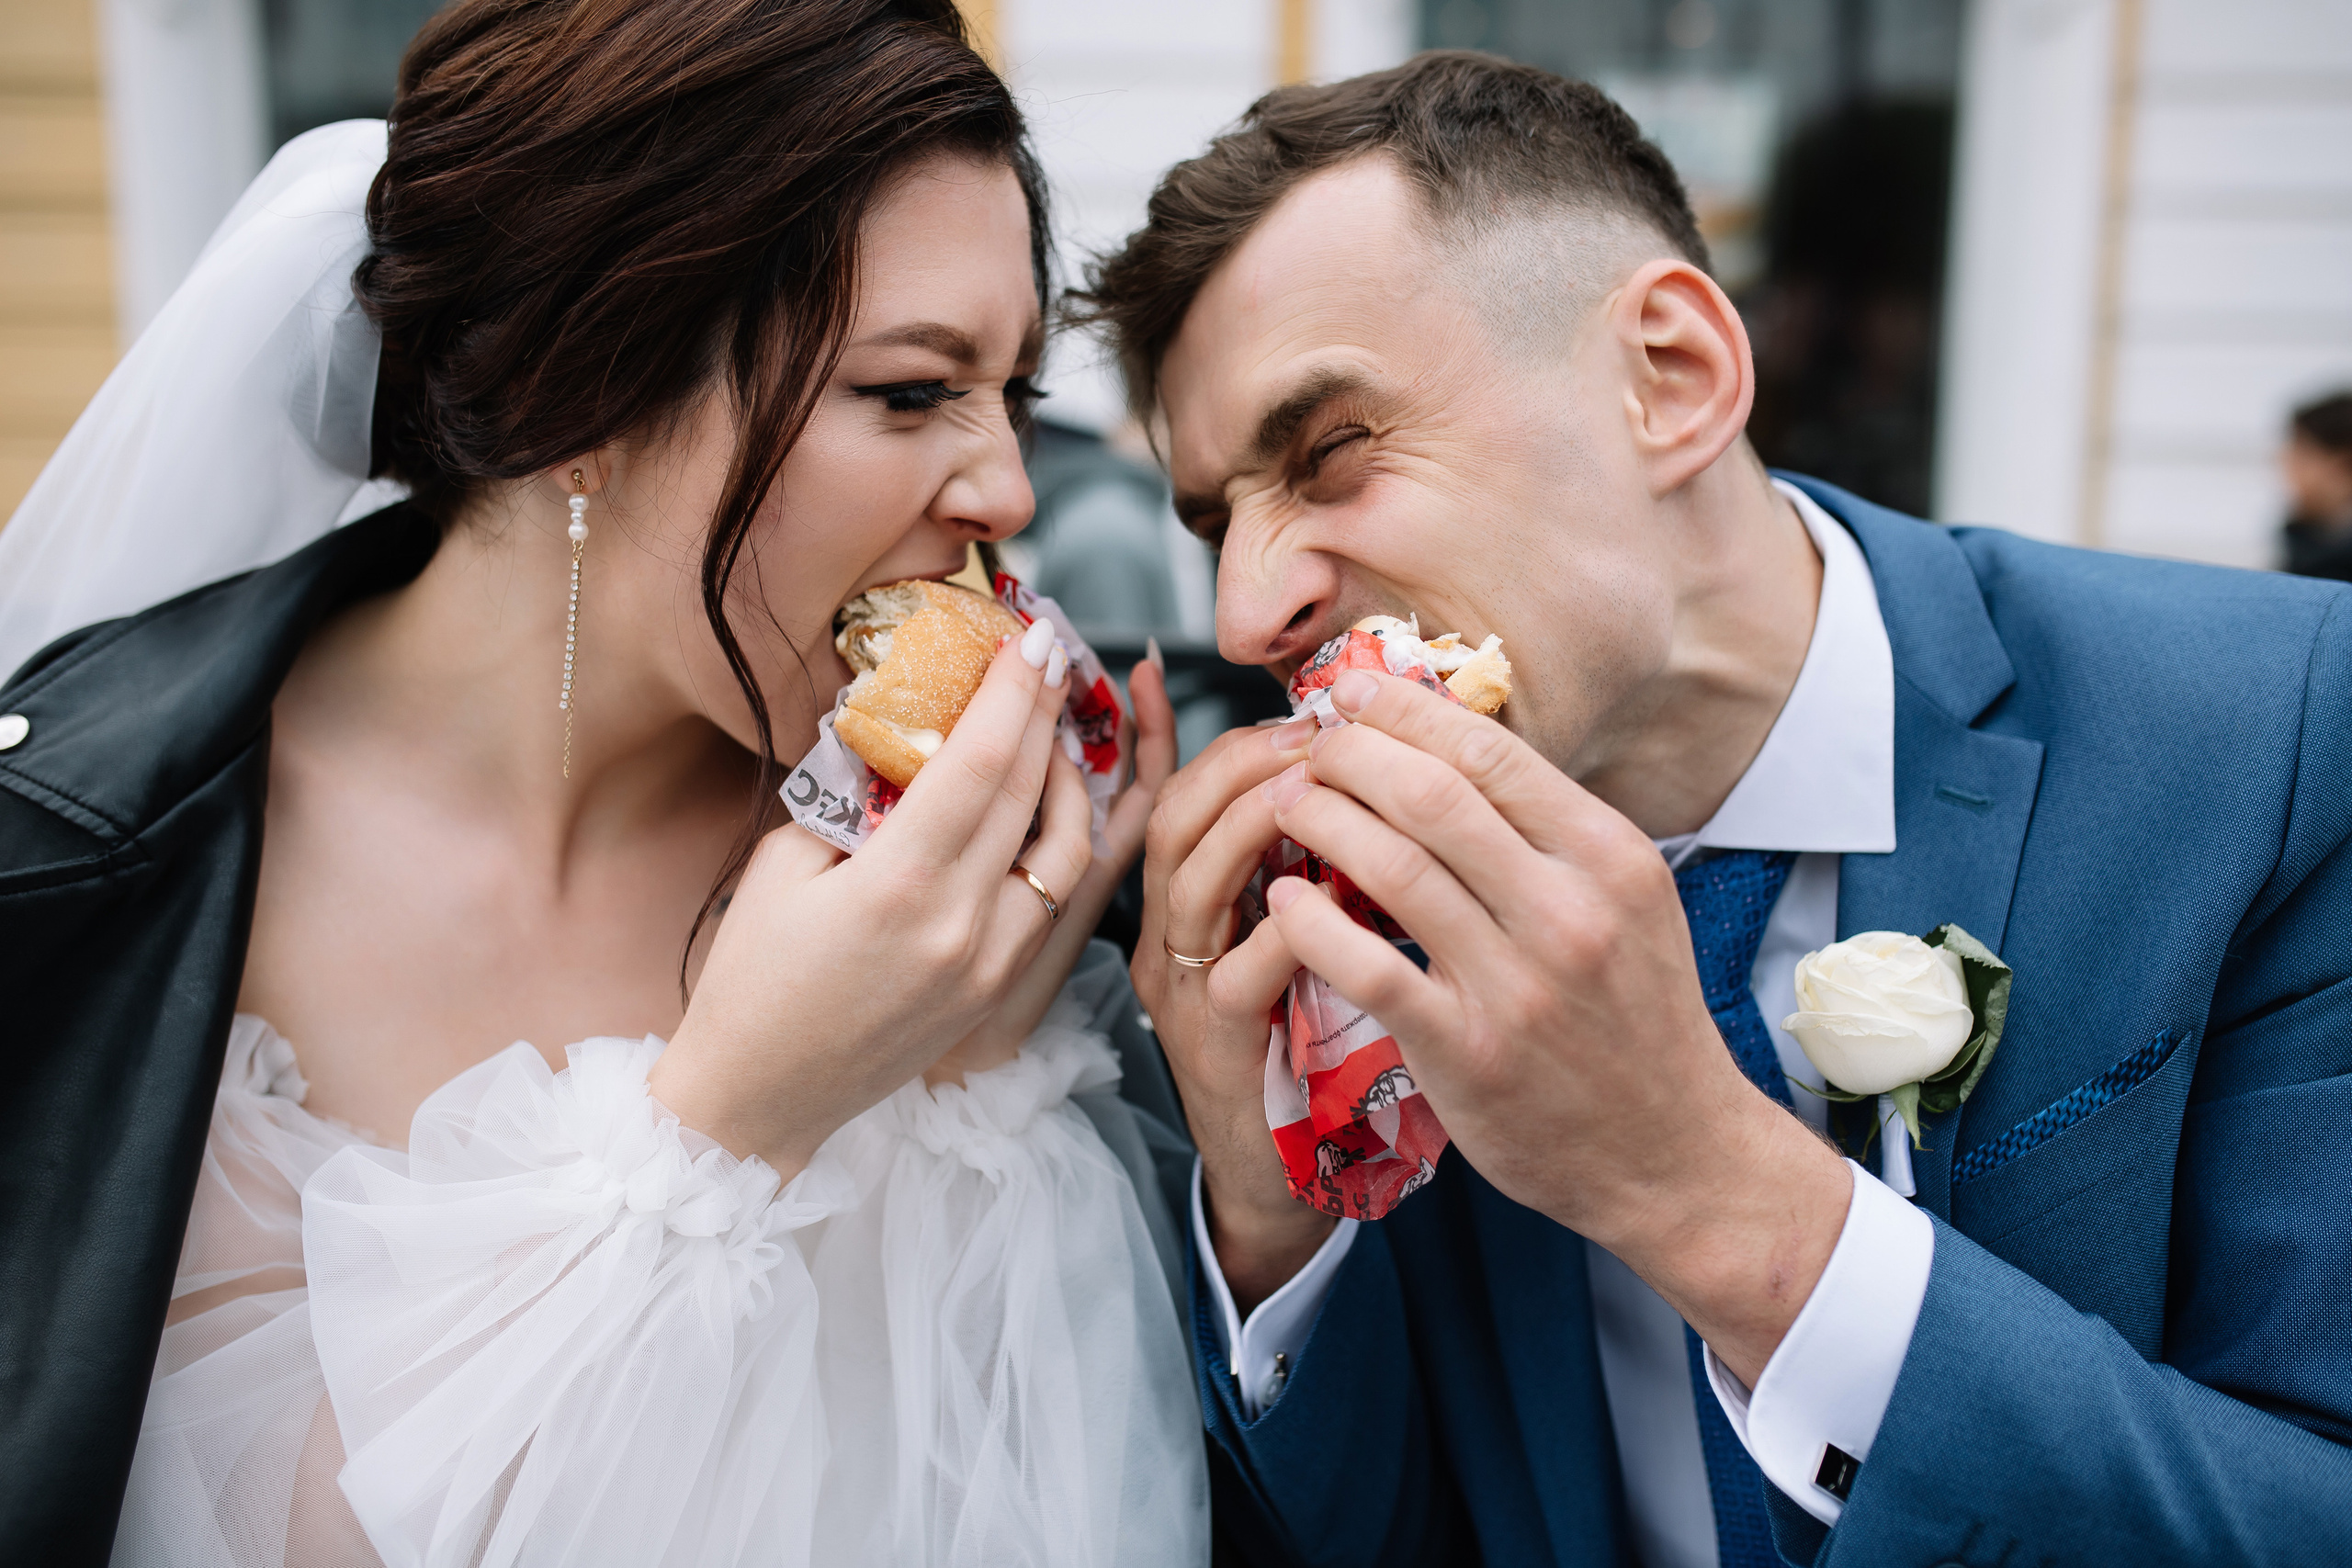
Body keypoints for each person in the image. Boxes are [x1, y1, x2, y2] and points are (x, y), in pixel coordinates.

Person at [1078, 52, 2352, 1567]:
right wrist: (1274, 1230)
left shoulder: (2274, 733)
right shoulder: (1343, 927)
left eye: (1330, 453)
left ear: (1669, 376)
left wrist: (1698, 1183)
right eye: (1221, 521)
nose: (1244, 611)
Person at [0, 2, 1208, 1563]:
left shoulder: (982, 867)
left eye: (1014, 393)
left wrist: (982, 1074)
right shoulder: (91, 876)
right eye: (912, 393)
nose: (1007, 492)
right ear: (586, 395)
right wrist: (730, 1122)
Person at [2278, 389, 2352, 580]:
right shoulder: (2310, 540)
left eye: (2300, 455)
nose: (2287, 469)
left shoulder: (2333, 566)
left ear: (2341, 465)